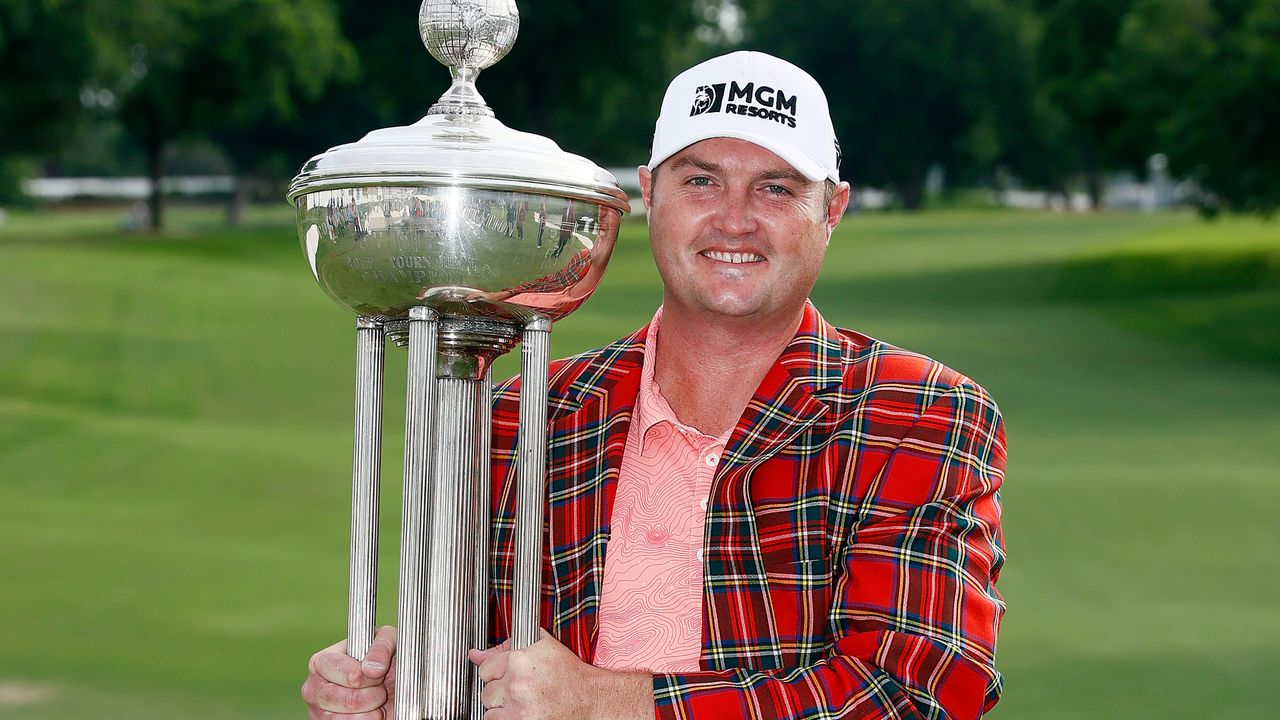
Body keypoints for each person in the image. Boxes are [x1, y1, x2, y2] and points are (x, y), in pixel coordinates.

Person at [302, 51, 1006, 720]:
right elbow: (483, 676)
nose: (735, 218)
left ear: (833, 210)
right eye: (701, 181)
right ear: (647, 194)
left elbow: (914, 694)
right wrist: (404, 690)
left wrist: (605, 704)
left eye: (777, 188)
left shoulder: (916, 414)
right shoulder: (524, 417)